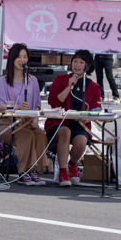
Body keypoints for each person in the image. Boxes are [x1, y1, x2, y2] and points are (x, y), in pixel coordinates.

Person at [0, 43, 50, 186]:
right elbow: (0, 106)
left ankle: (34, 169)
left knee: (40, 134)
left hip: (28, 122)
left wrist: (35, 120)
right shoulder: (3, 80)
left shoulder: (32, 80)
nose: (22, 60)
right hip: (8, 124)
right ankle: (23, 170)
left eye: (25, 57)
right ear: (12, 59)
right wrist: (16, 106)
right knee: (27, 135)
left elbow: (37, 104)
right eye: (19, 57)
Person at [45, 49, 103, 186]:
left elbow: (96, 109)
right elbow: (54, 102)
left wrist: (88, 118)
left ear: (87, 66)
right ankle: (63, 171)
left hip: (79, 124)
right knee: (66, 132)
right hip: (59, 123)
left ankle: (72, 164)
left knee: (81, 141)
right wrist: (69, 86)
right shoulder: (61, 80)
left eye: (81, 62)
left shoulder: (94, 87)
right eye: (75, 61)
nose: (77, 65)